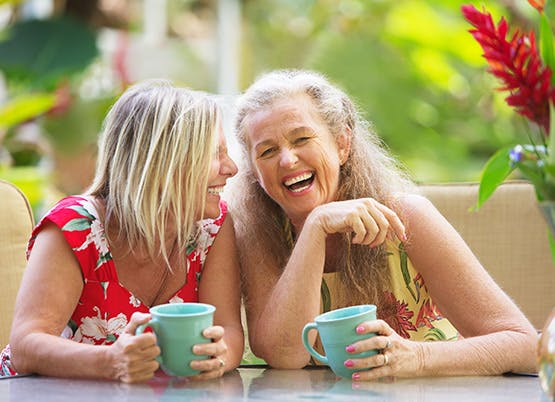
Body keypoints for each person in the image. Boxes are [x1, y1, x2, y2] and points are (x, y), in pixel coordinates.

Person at [230, 69, 538, 379]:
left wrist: (418, 357)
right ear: (255, 172)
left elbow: (524, 345)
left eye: (302, 139)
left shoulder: (406, 217)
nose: (287, 160)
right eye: (267, 151)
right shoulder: (259, 236)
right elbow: (285, 355)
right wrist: (316, 227)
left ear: (342, 144)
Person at [1, 80, 243, 383]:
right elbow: (26, 346)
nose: (231, 168)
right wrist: (110, 360)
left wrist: (219, 356)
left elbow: (228, 330)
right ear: (161, 163)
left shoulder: (213, 227)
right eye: (214, 153)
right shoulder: (75, 227)